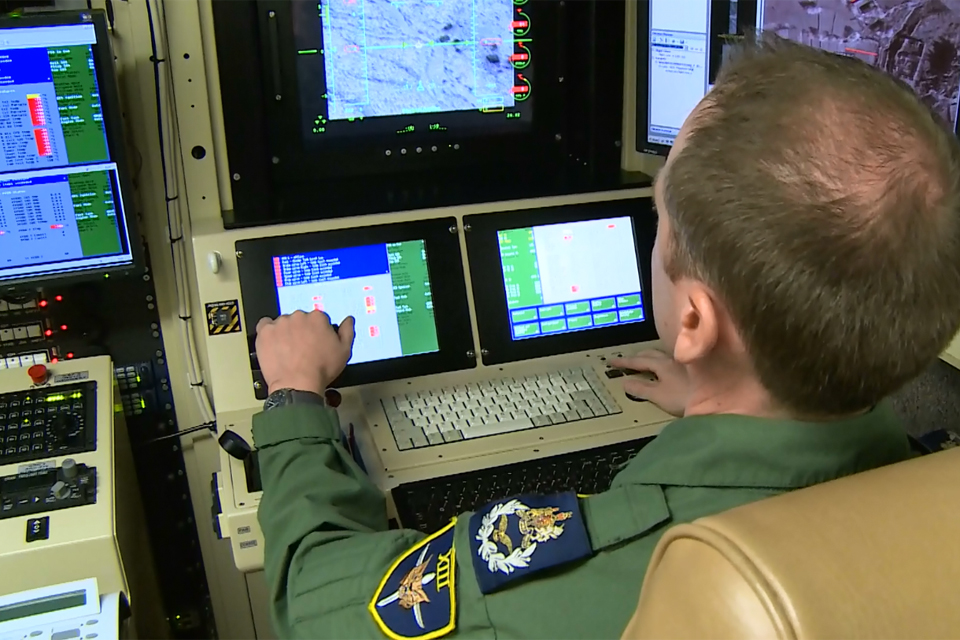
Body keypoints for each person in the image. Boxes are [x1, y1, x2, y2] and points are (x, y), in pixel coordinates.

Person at [250, 34, 960, 639]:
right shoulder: (929, 490)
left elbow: (315, 601)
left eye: (661, 219)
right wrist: (728, 391)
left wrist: (294, 397)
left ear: (693, 322)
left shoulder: (624, 566)